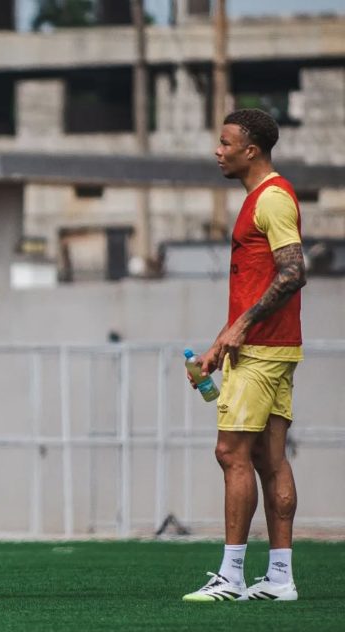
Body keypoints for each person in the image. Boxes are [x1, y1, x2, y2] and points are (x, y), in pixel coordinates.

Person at [182, 109, 306, 602]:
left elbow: (294, 271)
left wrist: (242, 327)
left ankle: (231, 577)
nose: (218, 150)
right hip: (271, 345)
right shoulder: (262, 197)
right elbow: (259, 283)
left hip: (261, 350)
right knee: (268, 458)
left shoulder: (271, 198)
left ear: (250, 149)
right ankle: (280, 578)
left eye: (225, 142)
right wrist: (219, 344)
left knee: (230, 453)